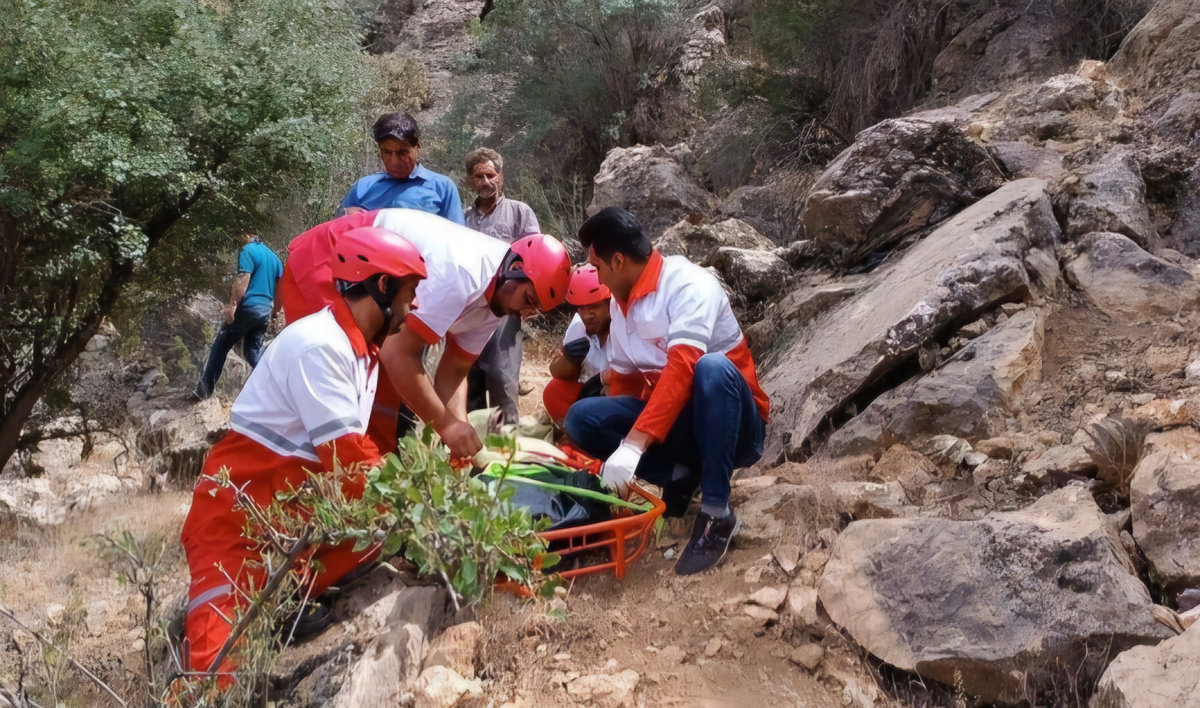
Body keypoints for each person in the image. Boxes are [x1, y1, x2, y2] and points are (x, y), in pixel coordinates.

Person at [180, 227, 426, 680]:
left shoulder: (359, 352)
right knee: (215, 678)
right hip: (235, 525)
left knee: (381, 528)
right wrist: (426, 514)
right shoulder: (321, 347)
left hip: (287, 514)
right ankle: (230, 613)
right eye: (410, 294)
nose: (414, 308)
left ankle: (286, 597)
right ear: (383, 286)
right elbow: (352, 462)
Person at [563, 207, 770, 576]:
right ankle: (678, 475)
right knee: (582, 417)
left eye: (597, 268)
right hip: (684, 428)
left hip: (736, 427)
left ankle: (717, 513)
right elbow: (624, 383)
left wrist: (633, 446)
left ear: (618, 260)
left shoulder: (689, 285)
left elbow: (682, 370)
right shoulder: (620, 306)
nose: (597, 278)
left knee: (711, 366)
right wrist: (618, 464)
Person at [276, 208, 572, 460]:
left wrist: (460, 429)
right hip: (329, 264)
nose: (524, 314)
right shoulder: (462, 273)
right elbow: (398, 355)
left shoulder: (498, 300)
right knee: (344, 377)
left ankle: (373, 477)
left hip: (367, 274)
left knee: (383, 393)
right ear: (515, 268)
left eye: (535, 310)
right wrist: (445, 425)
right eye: (529, 300)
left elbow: (455, 369)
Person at [463, 148, 542, 425]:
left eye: (490, 175)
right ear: (470, 181)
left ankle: (506, 451)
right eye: (479, 176)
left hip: (505, 309)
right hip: (470, 309)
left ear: (501, 178)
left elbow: (535, 258)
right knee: (470, 379)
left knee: (501, 376)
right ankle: (472, 455)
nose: (485, 181)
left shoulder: (520, 212)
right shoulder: (463, 218)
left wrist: (531, 301)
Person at [193, 229, 283, 400]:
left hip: (249, 307)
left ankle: (203, 392)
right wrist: (275, 311)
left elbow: (243, 279)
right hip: (264, 311)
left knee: (221, 344)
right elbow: (280, 288)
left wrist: (233, 305)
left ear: (246, 233)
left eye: (237, 235)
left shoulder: (248, 251)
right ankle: (277, 388)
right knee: (252, 352)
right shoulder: (274, 258)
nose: (236, 239)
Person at [339, 112, 464, 225]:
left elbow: (457, 239)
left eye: (402, 152)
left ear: (418, 147)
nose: (394, 161)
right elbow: (335, 232)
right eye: (387, 152)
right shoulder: (363, 187)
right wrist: (346, 216)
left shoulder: (442, 188)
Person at [543, 264, 612, 425]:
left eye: (594, 306)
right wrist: (569, 359)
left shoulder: (624, 327)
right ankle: (574, 437)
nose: (588, 315)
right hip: (591, 397)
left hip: (621, 398)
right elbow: (558, 372)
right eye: (582, 308)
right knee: (555, 390)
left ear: (609, 303)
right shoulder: (578, 326)